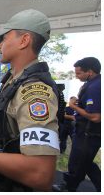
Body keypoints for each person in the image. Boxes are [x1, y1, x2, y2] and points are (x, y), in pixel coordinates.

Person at [0, 9, 62, 191]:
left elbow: (41, 173)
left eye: (4, 38)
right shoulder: (14, 79)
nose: (0, 45)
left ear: (24, 40)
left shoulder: (34, 91)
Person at [52, 57, 101, 192]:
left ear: (89, 72)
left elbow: (96, 117)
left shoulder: (95, 87)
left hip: (88, 133)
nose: (76, 76)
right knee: (86, 163)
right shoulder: (93, 84)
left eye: (79, 73)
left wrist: (73, 106)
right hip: (86, 132)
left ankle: (69, 187)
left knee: (76, 161)